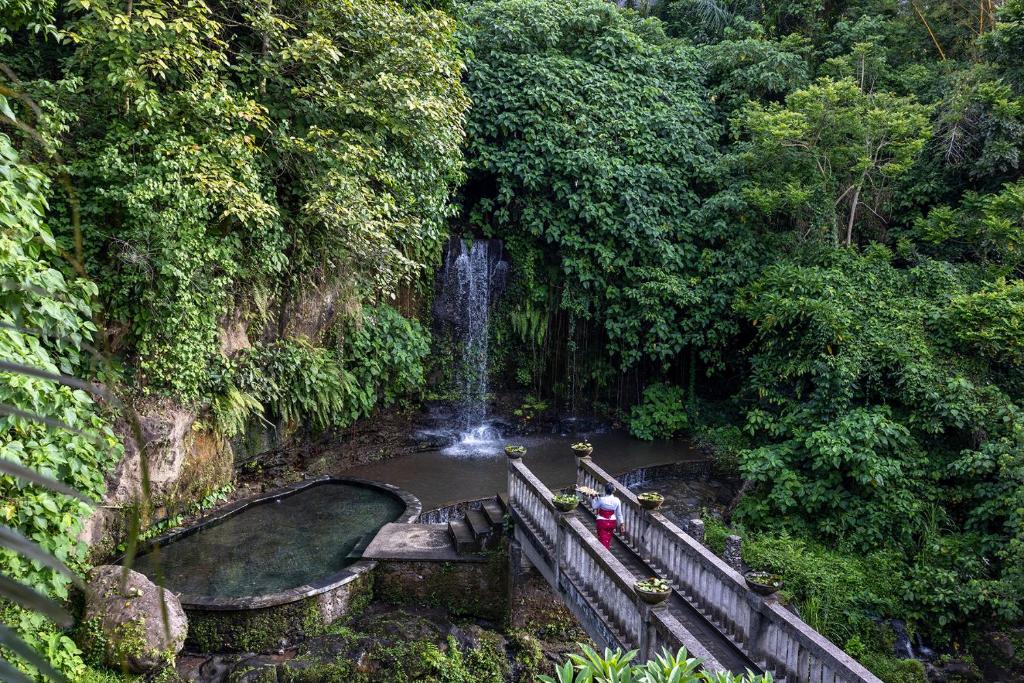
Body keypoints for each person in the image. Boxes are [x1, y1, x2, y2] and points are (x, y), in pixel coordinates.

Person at [591, 482, 624, 549]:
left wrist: (593, 498)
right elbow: (619, 514)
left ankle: (603, 554)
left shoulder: (601, 500)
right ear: (613, 491)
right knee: (608, 538)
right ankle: (607, 550)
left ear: (605, 490)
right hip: (612, 522)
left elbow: (594, 506)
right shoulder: (617, 500)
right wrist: (622, 524)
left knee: (602, 539)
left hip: (602, 522)